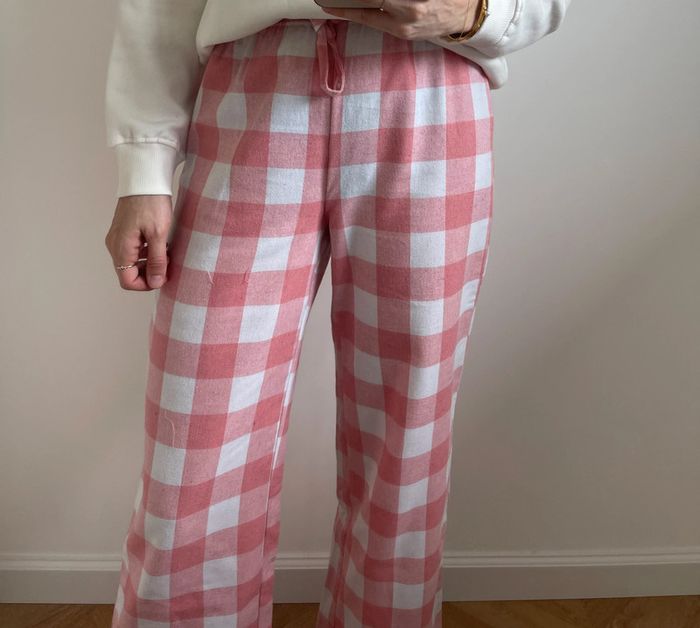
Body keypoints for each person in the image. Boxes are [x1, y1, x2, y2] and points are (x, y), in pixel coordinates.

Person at [103, 1, 572, 626]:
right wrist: (144, 165)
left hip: (432, 87)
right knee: (196, 439)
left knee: (408, 434)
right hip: (254, 85)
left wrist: (475, 11)